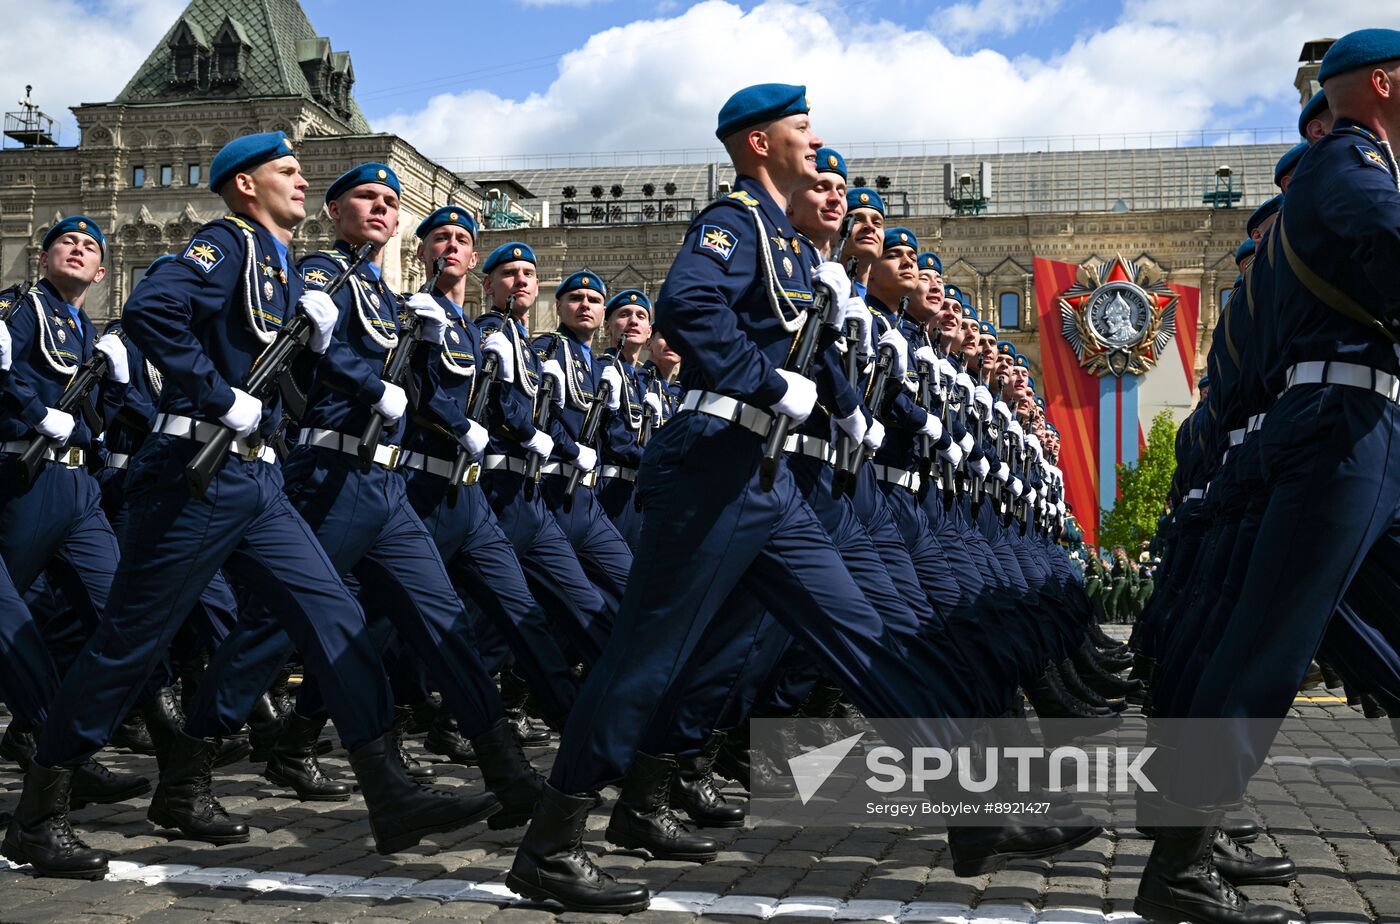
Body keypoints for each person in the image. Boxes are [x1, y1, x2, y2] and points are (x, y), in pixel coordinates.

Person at [505, 83, 1098, 914]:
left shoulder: (790, 249)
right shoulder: (734, 221)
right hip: (713, 462)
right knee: (647, 655)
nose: (816, 145)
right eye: (801, 132)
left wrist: (832, 397)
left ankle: (979, 807)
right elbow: (689, 304)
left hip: (769, 479)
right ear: (757, 144)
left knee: (866, 637)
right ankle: (552, 843)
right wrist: (760, 380)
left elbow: (811, 353)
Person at [2, 133, 490, 880]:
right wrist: (216, 392)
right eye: (286, 172)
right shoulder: (225, 244)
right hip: (194, 476)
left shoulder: (283, 263)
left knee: (336, 616)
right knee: (129, 644)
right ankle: (38, 814)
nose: (301, 182)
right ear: (243, 187)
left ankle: (388, 790)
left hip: (257, 478)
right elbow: (152, 312)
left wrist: (328, 352)